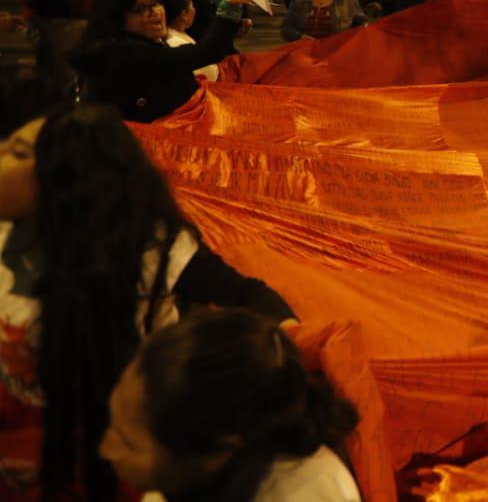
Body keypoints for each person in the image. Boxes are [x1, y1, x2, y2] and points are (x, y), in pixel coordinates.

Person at [0, 105, 295, 498]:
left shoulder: (150, 248)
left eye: (19, 154)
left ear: (59, 182)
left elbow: (246, 295)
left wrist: (292, 347)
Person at [101, 309, 360, 501]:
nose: (105, 449)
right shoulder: (186, 468)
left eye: (127, 443)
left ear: (219, 450)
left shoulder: (313, 493)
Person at [71, 0, 249, 123]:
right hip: (176, 136)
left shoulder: (143, 45)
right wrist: (230, 7)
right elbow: (208, 52)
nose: (155, 12)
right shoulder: (125, 56)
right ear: (117, 19)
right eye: (141, 10)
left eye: (154, 4)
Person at [156, 0, 219, 82]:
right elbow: (210, 75)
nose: (194, 10)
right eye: (192, 6)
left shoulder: (173, 35)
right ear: (183, 14)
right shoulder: (176, 43)